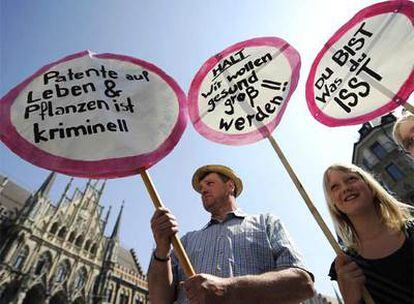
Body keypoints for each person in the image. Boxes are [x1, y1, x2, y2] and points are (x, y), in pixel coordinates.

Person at [148, 164, 315, 304]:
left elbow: (302, 283)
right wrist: (162, 250)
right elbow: (158, 300)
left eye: (209, 183)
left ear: (230, 185)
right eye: (201, 188)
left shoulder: (267, 224)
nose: (203, 190)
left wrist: (227, 289)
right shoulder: (184, 242)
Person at [323, 163, 413, 304]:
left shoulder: (411, 229)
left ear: (370, 186)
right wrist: (351, 301)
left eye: (351, 179)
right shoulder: (345, 266)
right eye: (335, 187)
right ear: (333, 203)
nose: (345, 188)